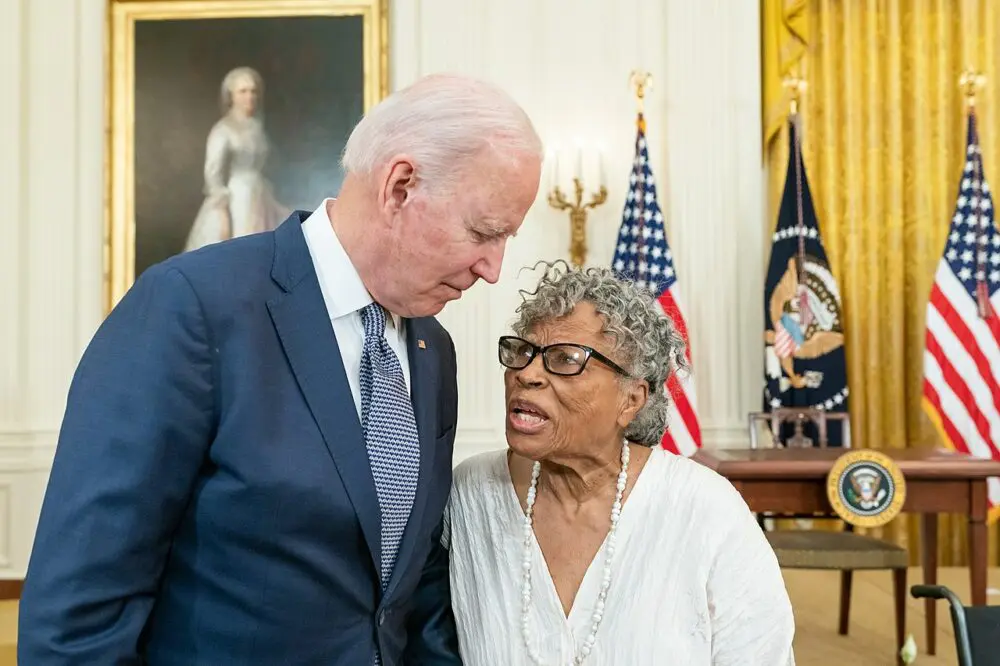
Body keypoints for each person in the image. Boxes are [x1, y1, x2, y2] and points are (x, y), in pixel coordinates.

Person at [18, 73, 543, 665]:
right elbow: (78, 616)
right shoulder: (191, 307)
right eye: (484, 232)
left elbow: (407, 584)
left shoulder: (432, 351)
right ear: (400, 186)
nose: (493, 268)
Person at [443, 262, 796, 665]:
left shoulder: (706, 509)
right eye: (523, 352)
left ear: (632, 399)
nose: (527, 374)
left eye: (565, 358)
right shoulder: (470, 494)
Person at [184, 66, 291, 251]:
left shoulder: (257, 128)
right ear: (231, 95)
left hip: (259, 197)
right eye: (243, 91)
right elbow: (213, 172)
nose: (249, 97)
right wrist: (223, 213)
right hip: (236, 199)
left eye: (253, 91)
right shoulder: (223, 129)